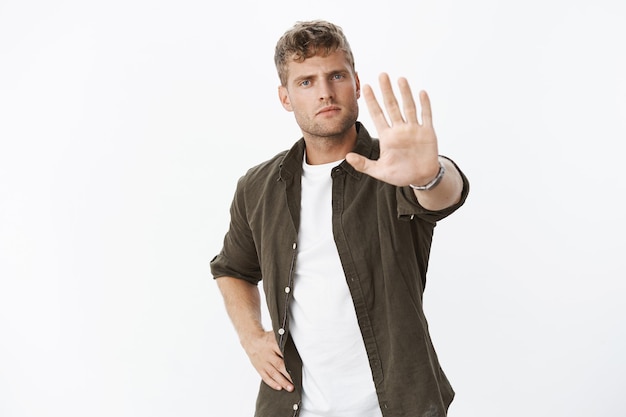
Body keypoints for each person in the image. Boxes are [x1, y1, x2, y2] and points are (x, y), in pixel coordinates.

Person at [210, 19, 469, 417]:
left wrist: (430, 175)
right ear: (285, 97)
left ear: (356, 81)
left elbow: (443, 196)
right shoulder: (258, 187)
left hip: (398, 406)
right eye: (306, 82)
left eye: (336, 75)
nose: (325, 93)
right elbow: (232, 268)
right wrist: (252, 336)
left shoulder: (393, 166)